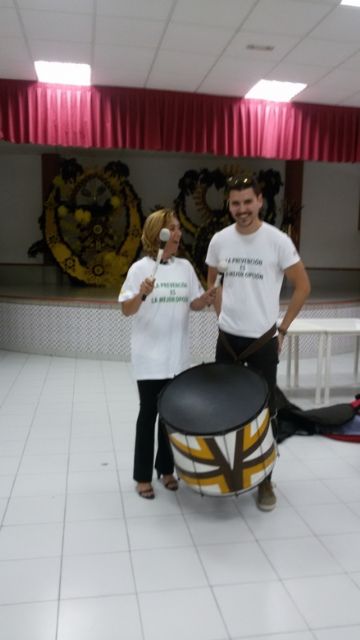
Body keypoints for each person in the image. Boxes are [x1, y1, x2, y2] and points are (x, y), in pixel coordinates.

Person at [206, 176, 311, 511]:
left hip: (263, 341)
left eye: (247, 202)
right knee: (223, 408)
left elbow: (303, 286)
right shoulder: (220, 240)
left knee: (266, 412)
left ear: (260, 201)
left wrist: (282, 329)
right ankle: (228, 473)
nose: (242, 210)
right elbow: (213, 284)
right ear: (229, 205)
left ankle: (265, 480)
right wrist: (222, 318)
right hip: (228, 341)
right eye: (235, 204)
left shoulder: (277, 241)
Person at [119, 208, 216, 499]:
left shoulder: (185, 267)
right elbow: (126, 309)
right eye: (171, 229)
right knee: (148, 414)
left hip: (177, 358)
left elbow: (194, 305)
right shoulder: (140, 269)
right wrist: (142, 293)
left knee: (170, 417)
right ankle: (142, 476)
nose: (177, 233)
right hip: (150, 358)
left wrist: (206, 298)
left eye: (177, 228)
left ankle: (166, 470)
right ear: (156, 234)